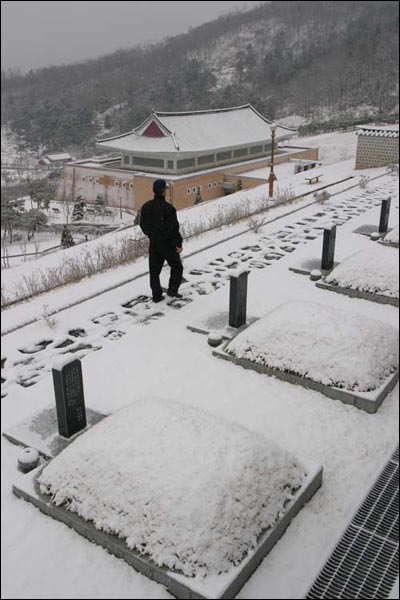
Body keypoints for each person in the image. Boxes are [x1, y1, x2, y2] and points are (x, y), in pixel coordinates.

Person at [140, 179, 183, 303]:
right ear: (164, 191)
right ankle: (172, 291)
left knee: (154, 271)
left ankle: (157, 295)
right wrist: (178, 244)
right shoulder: (168, 208)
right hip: (168, 245)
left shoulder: (146, 207)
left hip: (154, 244)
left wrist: (151, 235)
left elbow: (143, 225)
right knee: (177, 267)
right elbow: (174, 228)